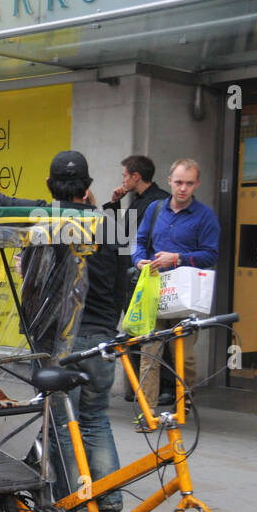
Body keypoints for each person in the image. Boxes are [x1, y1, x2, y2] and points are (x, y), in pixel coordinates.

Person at [0, 150, 122, 512]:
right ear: (87, 188)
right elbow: (123, 285)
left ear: (51, 186)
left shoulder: (47, 215)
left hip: (63, 342)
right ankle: (110, 501)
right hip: (103, 338)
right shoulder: (111, 226)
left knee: (62, 424)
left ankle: (76, 504)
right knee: (96, 418)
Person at [132, 157, 220, 407]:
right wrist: (139, 261)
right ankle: (146, 413)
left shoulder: (205, 216)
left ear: (197, 184)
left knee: (185, 356)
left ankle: (184, 400)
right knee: (150, 352)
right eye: (179, 182)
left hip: (185, 292)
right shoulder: (155, 209)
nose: (183, 188)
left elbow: (211, 254)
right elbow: (138, 242)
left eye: (189, 184)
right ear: (170, 181)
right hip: (155, 287)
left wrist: (178, 258)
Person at [102, 156, 168, 402]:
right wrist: (114, 203)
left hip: (149, 275)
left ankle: (163, 388)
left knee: (151, 331)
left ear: (135, 176)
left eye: (124, 176)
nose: (122, 180)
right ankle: (136, 387)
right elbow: (120, 235)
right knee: (134, 327)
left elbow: (136, 239)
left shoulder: (158, 201)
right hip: (134, 275)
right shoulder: (138, 201)